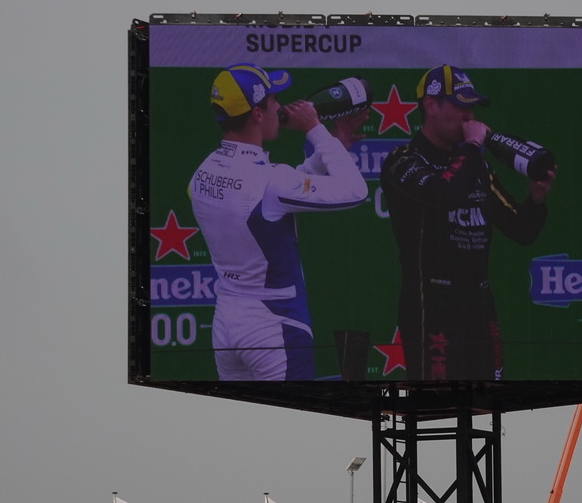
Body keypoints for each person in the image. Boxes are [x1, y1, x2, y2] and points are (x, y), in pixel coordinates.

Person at [189, 62, 368, 381]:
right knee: (295, 424)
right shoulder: (270, 181)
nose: (280, 107)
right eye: (273, 100)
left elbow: (276, 194)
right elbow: (355, 190)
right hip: (274, 324)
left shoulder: (203, 173)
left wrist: (329, 149)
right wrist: (316, 130)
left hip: (226, 322)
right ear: (258, 113)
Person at [379, 64, 554, 380]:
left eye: (472, 106)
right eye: (460, 105)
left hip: (479, 303)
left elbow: (522, 230)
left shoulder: (476, 166)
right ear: (431, 106)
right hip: (431, 307)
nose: (469, 115)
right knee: (437, 404)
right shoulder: (403, 160)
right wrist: (472, 147)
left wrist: (536, 198)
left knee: (487, 403)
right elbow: (444, 194)